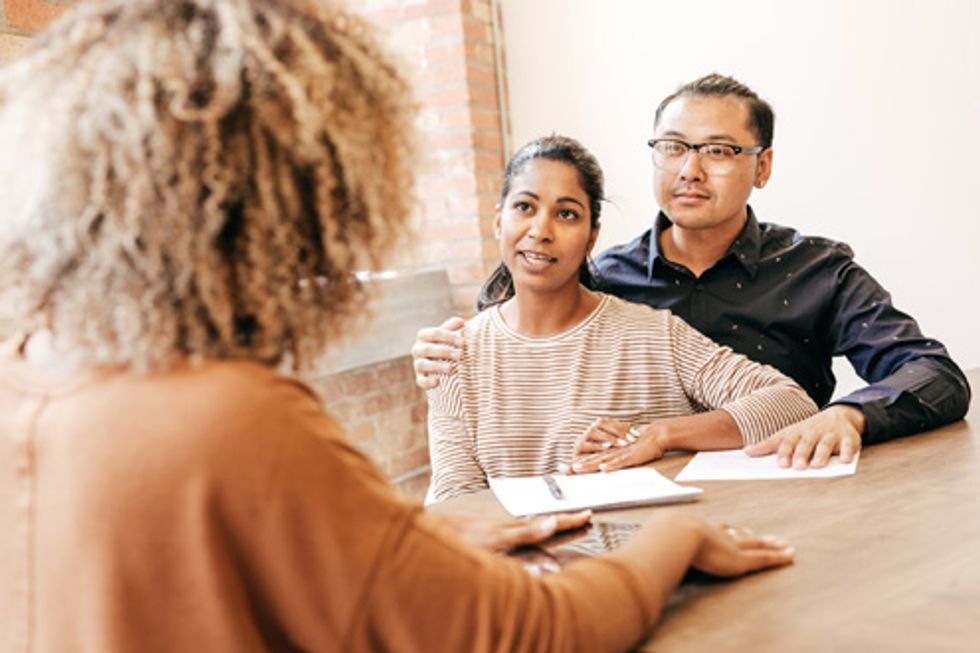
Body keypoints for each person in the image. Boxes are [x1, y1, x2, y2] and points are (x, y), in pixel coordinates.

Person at [0, 2, 795, 651]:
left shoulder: (25, 370)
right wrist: (678, 541)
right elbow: (541, 629)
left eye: (567, 213)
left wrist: (420, 546)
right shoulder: (233, 414)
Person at [413, 73, 971, 471]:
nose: (690, 170)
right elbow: (524, 344)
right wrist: (445, 353)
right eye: (673, 147)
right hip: (648, 519)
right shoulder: (601, 276)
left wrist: (851, 414)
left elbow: (935, 375)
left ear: (763, 166)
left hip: (792, 494)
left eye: (720, 150)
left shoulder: (818, 270)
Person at [426, 135, 817, 503]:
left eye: (566, 214)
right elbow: (455, 504)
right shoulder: (453, 357)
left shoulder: (653, 334)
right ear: (499, 221)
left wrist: (659, 435)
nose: (540, 231)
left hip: (654, 560)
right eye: (524, 207)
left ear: (592, 236)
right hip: (527, 569)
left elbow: (791, 404)